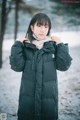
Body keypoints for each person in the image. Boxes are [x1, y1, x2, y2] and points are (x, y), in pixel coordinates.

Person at [9, 13, 72, 120]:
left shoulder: (53, 47)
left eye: (46, 26)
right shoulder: (25, 46)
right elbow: (16, 67)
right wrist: (18, 44)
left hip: (48, 103)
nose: (42, 30)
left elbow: (64, 66)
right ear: (32, 27)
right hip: (27, 102)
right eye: (39, 25)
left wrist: (60, 44)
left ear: (49, 29)